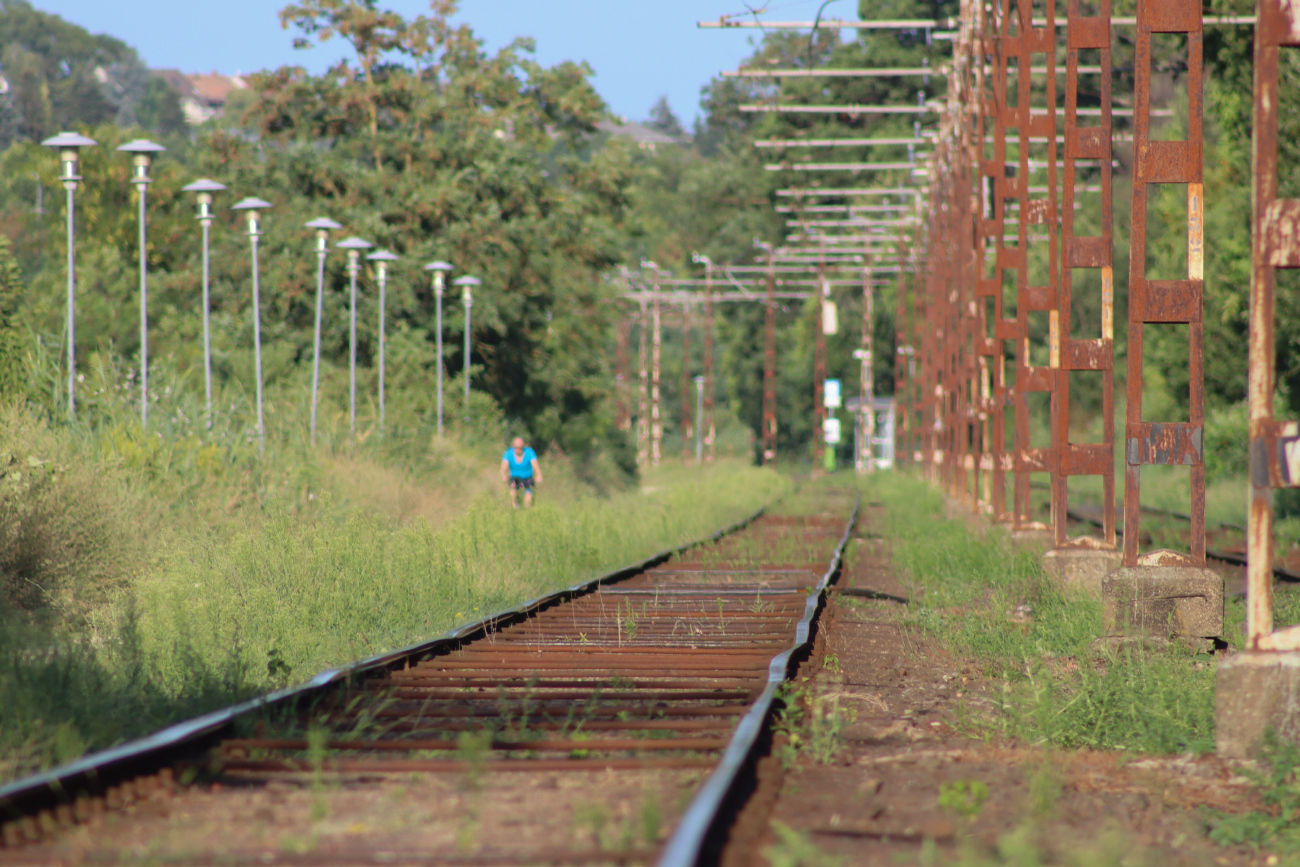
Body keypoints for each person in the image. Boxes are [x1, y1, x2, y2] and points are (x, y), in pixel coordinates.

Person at [500, 436, 542, 508]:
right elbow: (503, 467)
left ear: (523, 447)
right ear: (513, 446)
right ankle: (514, 507)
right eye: (516, 447)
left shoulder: (529, 452)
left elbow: (535, 465)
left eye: (520, 447)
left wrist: (539, 475)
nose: (518, 449)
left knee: (528, 494)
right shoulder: (508, 453)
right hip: (514, 477)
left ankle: (527, 509)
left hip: (527, 477)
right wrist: (503, 475)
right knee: (513, 490)